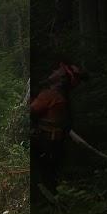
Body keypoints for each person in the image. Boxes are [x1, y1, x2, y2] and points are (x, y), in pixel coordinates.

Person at [30, 62, 87, 200]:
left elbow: (29, 113)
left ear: (61, 78)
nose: (54, 70)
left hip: (45, 143)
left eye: (58, 70)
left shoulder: (50, 95)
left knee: (43, 178)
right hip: (54, 144)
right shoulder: (61, 96)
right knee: (51, 177)